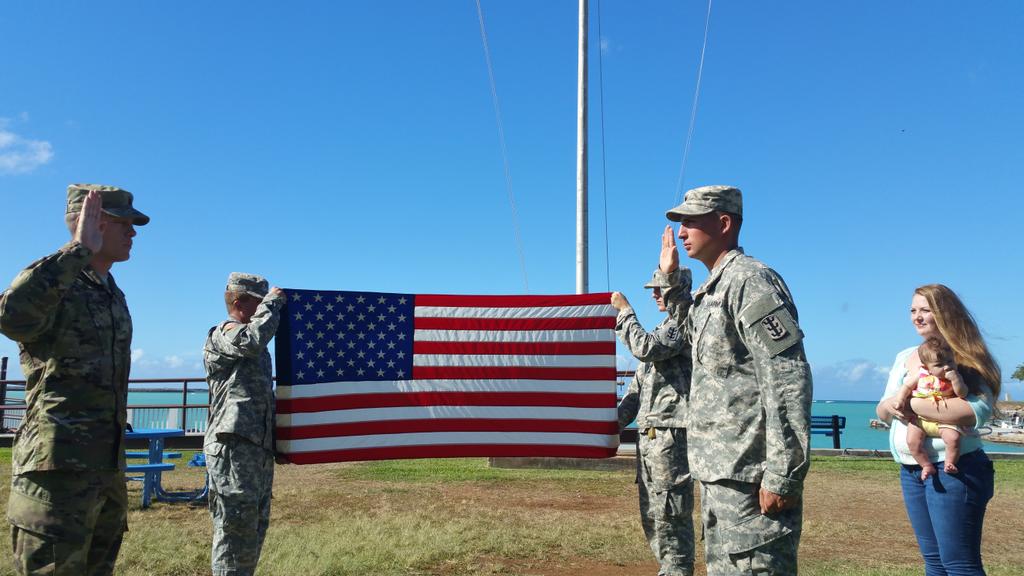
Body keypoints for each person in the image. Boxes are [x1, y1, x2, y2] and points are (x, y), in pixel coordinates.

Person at [660, 185, 813, 575]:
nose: (682, 232)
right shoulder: (714, 288)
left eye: (690, 222)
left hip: (751, 477)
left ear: (724, 223)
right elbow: (693, 337)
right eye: (681, 224)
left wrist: (783, 473)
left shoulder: (751, 281)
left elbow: (787, 377)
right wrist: (672, 279)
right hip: (720, 472)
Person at [0, 184, 149, 575]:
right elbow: (12, 316)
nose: (133, 232)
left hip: (104, 470)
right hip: (56, 474)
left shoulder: (111, 292)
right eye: (125, 223)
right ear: (95, 222)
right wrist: (77, 249)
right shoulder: (58, 281)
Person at [875, 284, 999, 575]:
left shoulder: (967, 355)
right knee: (934, 563)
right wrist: (893, 407)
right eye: (913, 310)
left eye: (925, 310)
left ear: (944, 313)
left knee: (959, 565)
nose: (917, 317)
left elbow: (975, 411)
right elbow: (882, 409)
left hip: (956, 471)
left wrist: (912, 406)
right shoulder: (905, 355)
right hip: (912, 470)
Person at [611, 267, 695, 576]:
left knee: (670, 512)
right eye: (653, 288)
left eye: (659, 287)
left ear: (676, 289)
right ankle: (669, 569)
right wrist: (610, 426)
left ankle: (677, 571)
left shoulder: (681, 326)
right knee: (652, 513)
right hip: (651, 439)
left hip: (671, 437)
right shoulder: (663, 327)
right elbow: (636, 391)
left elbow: (646, 348)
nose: (654, 294)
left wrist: (626, 314)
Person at [203, 272, 287, 576]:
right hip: (232, 448)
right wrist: (273, 306)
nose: (264, 306)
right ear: (239, 302)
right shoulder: (223, 333)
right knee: (234, 529)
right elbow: (249, 341)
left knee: (253, 529)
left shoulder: (258, 343)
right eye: (258, 301)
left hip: (256, 449)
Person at [892, 337, 973, 479]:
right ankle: (926, 466)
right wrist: (900, 400)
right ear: (926, 366)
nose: (947, 367)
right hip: (920, 419)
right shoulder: (921, 375)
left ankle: (950, 463)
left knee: (953, 439)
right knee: (912, 442)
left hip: (944, 419)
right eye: (939, 364)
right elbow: (906, 387)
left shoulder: (956, 377)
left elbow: (962, 393)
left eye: (950, 361)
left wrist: (955, 380)